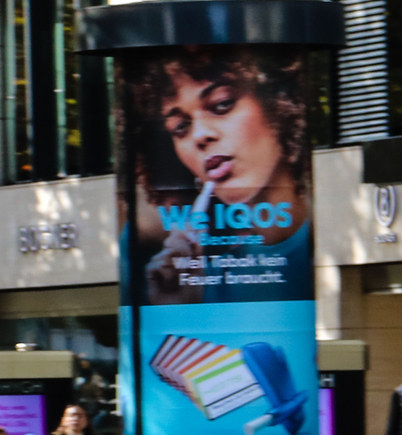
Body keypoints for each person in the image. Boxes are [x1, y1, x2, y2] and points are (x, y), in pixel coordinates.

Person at [127, 47, 315, 307]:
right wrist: (178, 308)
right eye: (180, 127)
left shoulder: (323, 239)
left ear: (278, 100)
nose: (200, 135)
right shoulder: (197, 276)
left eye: (221, 104)